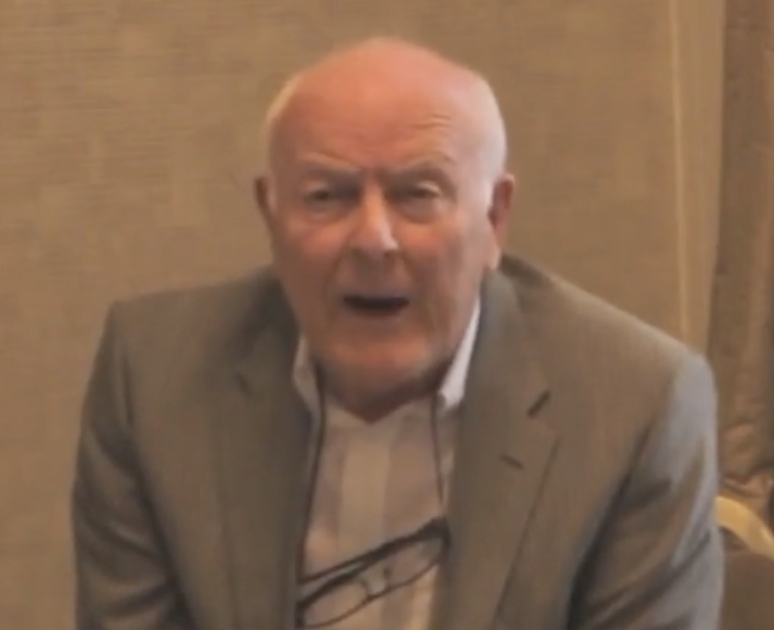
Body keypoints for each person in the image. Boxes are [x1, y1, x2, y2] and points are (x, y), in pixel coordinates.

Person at [71, 37, 724, 630]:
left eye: (418, 194)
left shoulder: (636, 405)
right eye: (327, 196)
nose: (374, 240)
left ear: (494, 219)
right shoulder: (154, 381)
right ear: (271, 215)